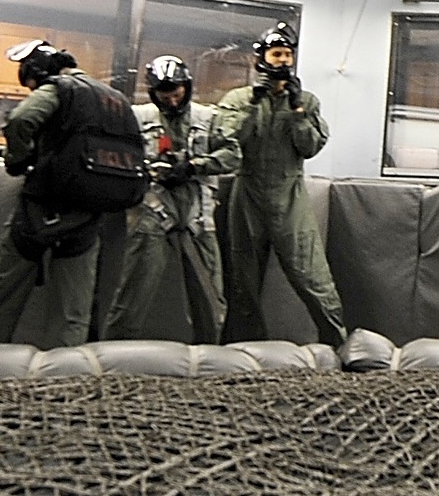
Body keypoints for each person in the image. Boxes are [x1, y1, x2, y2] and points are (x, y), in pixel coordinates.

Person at [0, 40, 133, 346]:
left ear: (38, 72)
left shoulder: (58, 88)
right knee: (72, 313)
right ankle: (63, 382)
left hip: (42, 209)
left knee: (2, 298)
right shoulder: (115, 98)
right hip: (87, 214)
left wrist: (17, 160)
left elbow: (20, 121)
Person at [214, 24, 347, 345]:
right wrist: (254, 103)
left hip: (289, 196)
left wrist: (297, 107)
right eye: (277, 54)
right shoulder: (239, 99)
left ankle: (337, 343)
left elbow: (310, 146)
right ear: (261, 59)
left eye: (288, 55)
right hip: (247, 194)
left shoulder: (307, 102)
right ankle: (243, 350)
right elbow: (225, 139)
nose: (283, 61)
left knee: (312, 275)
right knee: (242, 280)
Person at [101, 55, 229, 344]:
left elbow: (232, 155)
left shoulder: (209, 118)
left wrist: (194, 166)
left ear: (187, 86)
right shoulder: (136, 117)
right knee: (134, 288)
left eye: (176, 93)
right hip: (152, 206)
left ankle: (210, 355)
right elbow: (115, 153)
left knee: (210, 295)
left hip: (198, 208)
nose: (171, 101)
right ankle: (115, 353)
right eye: (164, 95)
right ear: (153, 93)